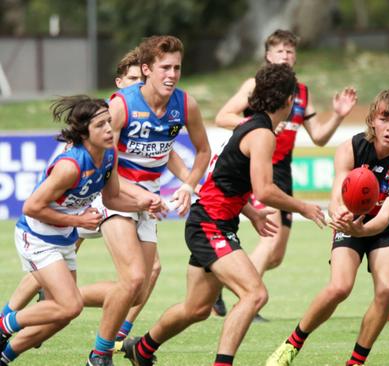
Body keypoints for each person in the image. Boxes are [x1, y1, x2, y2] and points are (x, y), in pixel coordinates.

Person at [120, 63, 325, 366]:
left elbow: (225, 181)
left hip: (211, 220)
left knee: (196, 309)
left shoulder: (251, 125)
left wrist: (252, 213)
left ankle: (142, 349)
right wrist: (304, 207)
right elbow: (265, 189)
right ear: (287, 101)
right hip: (210, 225)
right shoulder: (262, 134)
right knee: (254, 294)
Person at [266, 85, 389, 366]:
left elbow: (385, 217)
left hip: (387, 228)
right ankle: (292, 344)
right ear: (373, 118)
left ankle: (355, 362)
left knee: (387, 291)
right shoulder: (352, 147)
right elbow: (337, 196)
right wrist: (339, 215)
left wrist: (363, 230)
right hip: (350, 221)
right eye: (384, 119)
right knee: (340, 287)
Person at [0, 96, 161, 366]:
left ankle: (4, 357)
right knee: (70, 306)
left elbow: (112, 200)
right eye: (101, 125)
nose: (109, 129)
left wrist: (142, 202)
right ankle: (5, 325)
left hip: (62, 239)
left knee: (63, 315)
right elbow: (31, 207)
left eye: (109, 121)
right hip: (37, 238)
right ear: (85, 133)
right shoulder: (69, 166)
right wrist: (79, 221)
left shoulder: (110, 155)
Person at [82, 35, 211, 366]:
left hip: (149, 199)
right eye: (164, 67)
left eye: (177, 68)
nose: (171, 74)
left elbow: (203, 151)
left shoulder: (185, 105)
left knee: (139, 287)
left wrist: (189, 185)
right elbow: (102, 160)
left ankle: (65, 299)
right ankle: (99, 355)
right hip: (116, 195)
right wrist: (137, 194)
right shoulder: (122, 105)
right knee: (134, 277)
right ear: (146, 69)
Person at [214, 29, 357, 319]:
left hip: (283, 172)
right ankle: (248, 300)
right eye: (280, 51)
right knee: (270, 237)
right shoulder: (255, 85)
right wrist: (259, 126)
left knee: (276, 255)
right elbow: (222, 117)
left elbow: (318, 137)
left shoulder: (301, 92)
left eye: (290, 52)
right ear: (268, 55)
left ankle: (219, 280)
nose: (286, 56)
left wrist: (339, 115)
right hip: (257, 166)